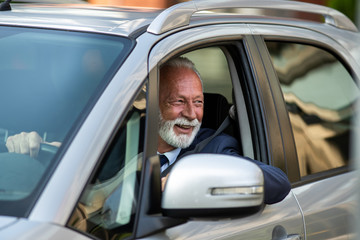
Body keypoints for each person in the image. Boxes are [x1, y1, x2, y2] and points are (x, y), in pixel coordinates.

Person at [6, 57, 291, 204]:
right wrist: (31, 146)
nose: (192, 115)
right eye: (179, 101)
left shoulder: (214, 148)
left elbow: (279, 183)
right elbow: (73, 154)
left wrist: (181, 182)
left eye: (198, 102)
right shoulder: (122, 136)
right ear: (151, 104)